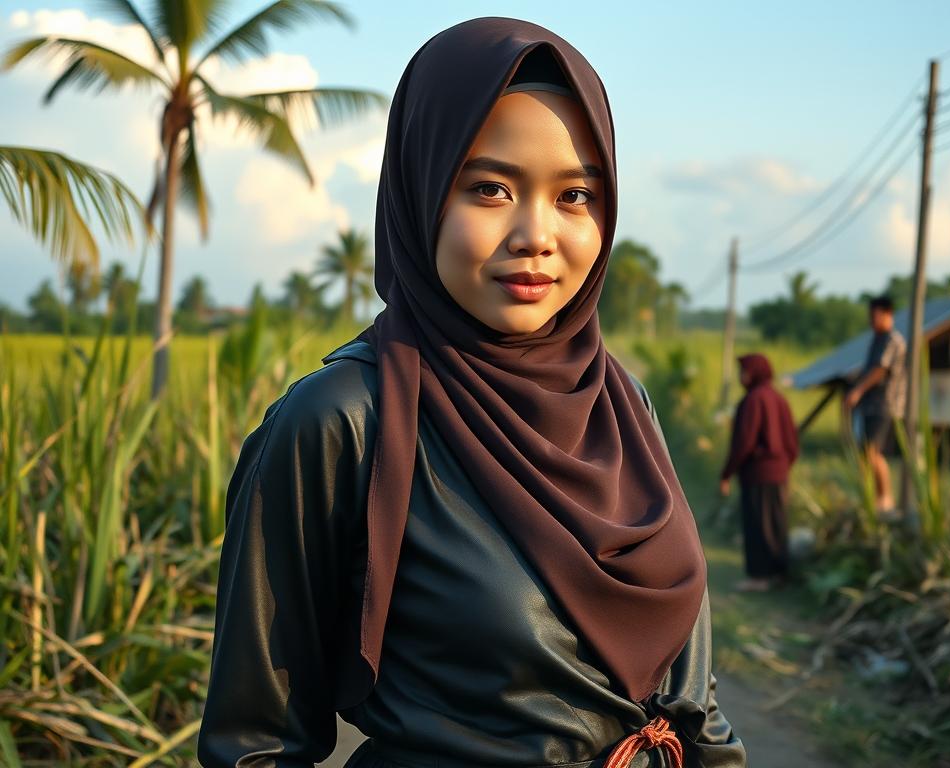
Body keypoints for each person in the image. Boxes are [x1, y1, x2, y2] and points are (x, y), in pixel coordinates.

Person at [197, 17, 745, 768]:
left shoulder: (622, 405)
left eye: (575, 194)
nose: (536, 234)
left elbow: (698, 711)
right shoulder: (342, 421)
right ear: (421, 190)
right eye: (489, 188)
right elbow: (256, 746)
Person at [719, 354, 799, 592]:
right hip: (779, 472)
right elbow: (792, 443)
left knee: (758, 524)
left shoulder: (753, 400)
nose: (741, 377)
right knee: (776, 523)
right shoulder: (779, 399)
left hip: (757, 473)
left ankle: (759, 577)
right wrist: (784, 467)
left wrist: (726, 473)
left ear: (755, 373)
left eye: (744, 372)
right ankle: (777, 574)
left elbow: (743, 443)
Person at [843, 295, 906, 516]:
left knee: (873, 453)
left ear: (887, 314)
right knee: (866, 453)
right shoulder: (877, 339)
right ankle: (873, 497)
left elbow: (879, 370)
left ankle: (885, 499)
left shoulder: (892, 340)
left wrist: (858, 391)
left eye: (874, 315)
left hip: (885, 405)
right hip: (871, 406)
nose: (871, 320)